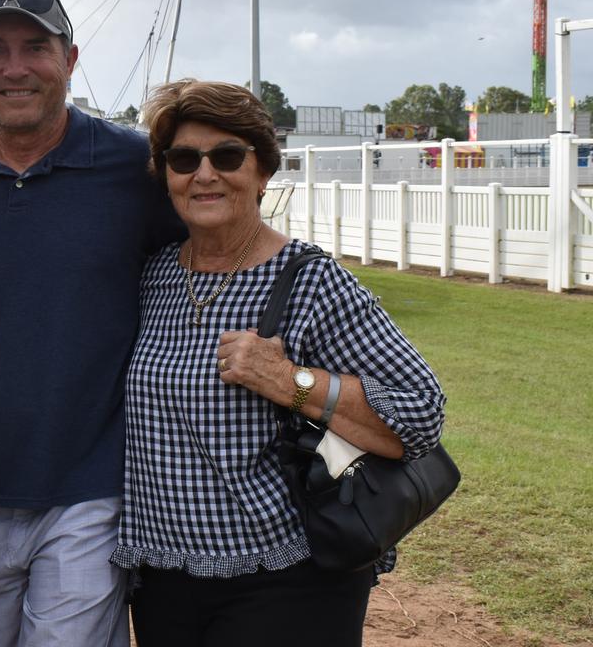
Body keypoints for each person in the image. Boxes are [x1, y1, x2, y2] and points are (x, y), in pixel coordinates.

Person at [112, 79, 447, 646]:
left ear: (263, 171)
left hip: (286, 581)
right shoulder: (153, 276)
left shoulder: (311, 281)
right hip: (163, 576)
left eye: (226, 156)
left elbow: (418, 414)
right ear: (166, 174)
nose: (204, 173)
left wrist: (291, 382)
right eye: (184, 158)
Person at [0, 0, 186, 646]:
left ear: (71, 59)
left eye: (36, 47)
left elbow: (210, 267)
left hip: (93, 485)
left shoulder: (134, 168)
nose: (15, 67)